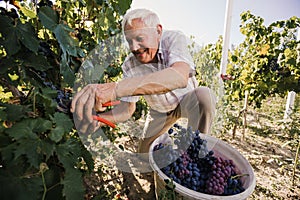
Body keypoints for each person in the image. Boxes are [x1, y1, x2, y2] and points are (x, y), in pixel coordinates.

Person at [71, 8, 216, 155]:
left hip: (186, 100)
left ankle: (196, 153)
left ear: (158, 31)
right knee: (144, 153)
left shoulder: (173, 39)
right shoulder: (129, 65)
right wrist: (100, 118)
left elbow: (179, 76)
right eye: (129, 41)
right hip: (160, 111)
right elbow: (127, 108)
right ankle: (168, 149)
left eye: (140, 39)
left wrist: (116, 89)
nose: (134, 47)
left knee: (204, 96)